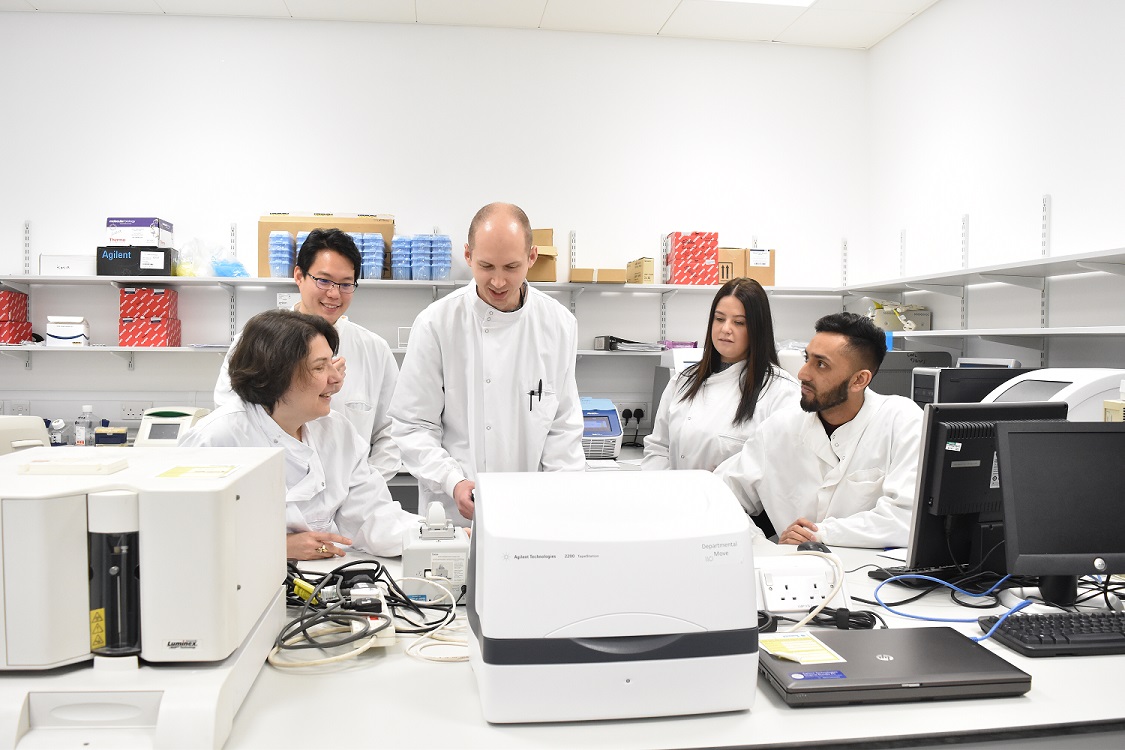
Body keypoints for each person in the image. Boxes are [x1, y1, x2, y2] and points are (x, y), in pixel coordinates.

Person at [389, 202, 584, 527]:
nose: (498, 281)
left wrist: (561, 499)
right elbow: (412, 425)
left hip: (533, 511)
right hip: (454, 515)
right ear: (468, 255)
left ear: (532, 257)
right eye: (486, 266)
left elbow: (563, 428)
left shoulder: (559, 325)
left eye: (511, 267)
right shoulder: (436, 324)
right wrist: (452, 480)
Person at [183, 309, 416, 560]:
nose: (336, 378)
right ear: (277, 375)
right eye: (320, 367)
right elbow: (184, 536)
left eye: (331, 363)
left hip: (322, 575)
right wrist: (276, 547)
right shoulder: (217, 439)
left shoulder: (337, 431)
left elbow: (375, 519)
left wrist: (438, 538)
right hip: (241, 579)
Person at [714, 312, 923, 548]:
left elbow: (908, 518)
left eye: (821, 364)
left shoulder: (901, 421)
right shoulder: (779, 428)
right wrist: (760, 547)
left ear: (859, 380)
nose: (802, 373)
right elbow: (717, 494)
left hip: (875, 569)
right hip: (794, 566)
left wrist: (818, 534)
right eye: (807, 358)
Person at [214, 228, 401, 482]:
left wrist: (361, 487)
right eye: (323, 280)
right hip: (270, 488)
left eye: (346, 284)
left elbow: (391, 432)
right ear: (299, 276)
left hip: (351, 496)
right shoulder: (255, 343)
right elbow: (233, 420)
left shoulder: (374, 350)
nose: (334, 293)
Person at [643, 278, 800, 532]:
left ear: (757, 329)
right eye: (719, 319)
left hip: (734, 521)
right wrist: (665, 496)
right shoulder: (684, 381)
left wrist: (705, 502)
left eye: (739, 322)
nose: (725, 329)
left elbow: (775, 474)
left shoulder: (780, 392)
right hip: (673, 512)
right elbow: (658, 447)